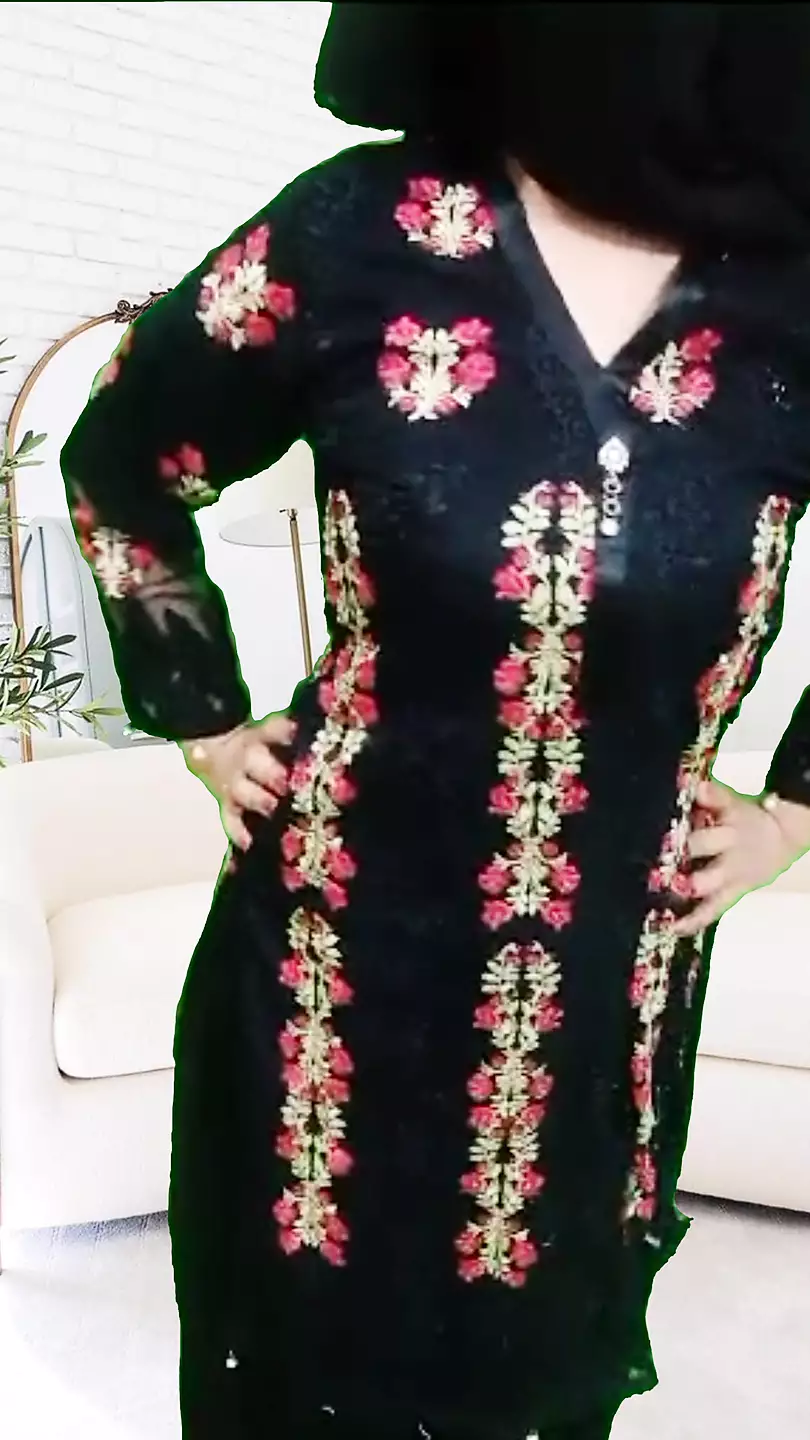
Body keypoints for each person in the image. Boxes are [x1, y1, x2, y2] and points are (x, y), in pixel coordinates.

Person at [60, 4, 810, 1437]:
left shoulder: (788, 286)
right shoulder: (354, 233)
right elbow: (121, 461)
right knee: (301, 1372)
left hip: (595, 986)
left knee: (534, 1379)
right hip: (333, 960)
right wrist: (201, 714)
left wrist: (792, 813)